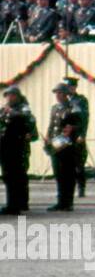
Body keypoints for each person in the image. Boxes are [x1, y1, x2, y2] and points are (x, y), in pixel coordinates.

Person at [0, 86, 38, 214]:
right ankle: (14, 203)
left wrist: (10, 112)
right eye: (7, 96)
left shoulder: (23, 108)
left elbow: (24, 117)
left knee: (17, 176)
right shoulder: (4, 110)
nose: (9, 98)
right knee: (8, 177)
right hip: (5, 148)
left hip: (18, 148)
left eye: (12, 95)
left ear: (17, 96)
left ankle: (17, 205)